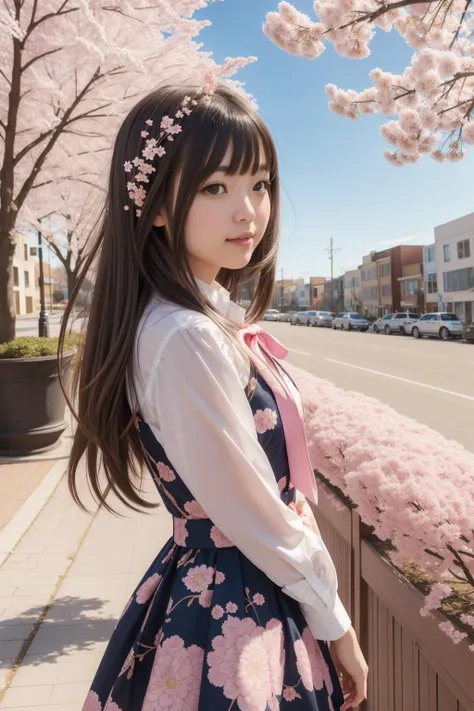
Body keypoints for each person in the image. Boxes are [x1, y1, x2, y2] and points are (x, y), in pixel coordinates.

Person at [60, 77, 368, 711]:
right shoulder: (184, 335)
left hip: (217, 587)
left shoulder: (188, 320)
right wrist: (338, 624)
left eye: (259, 185)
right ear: (158, 205)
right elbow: (253, 508)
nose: (248, 211)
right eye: (214, 187)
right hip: (241, 602)